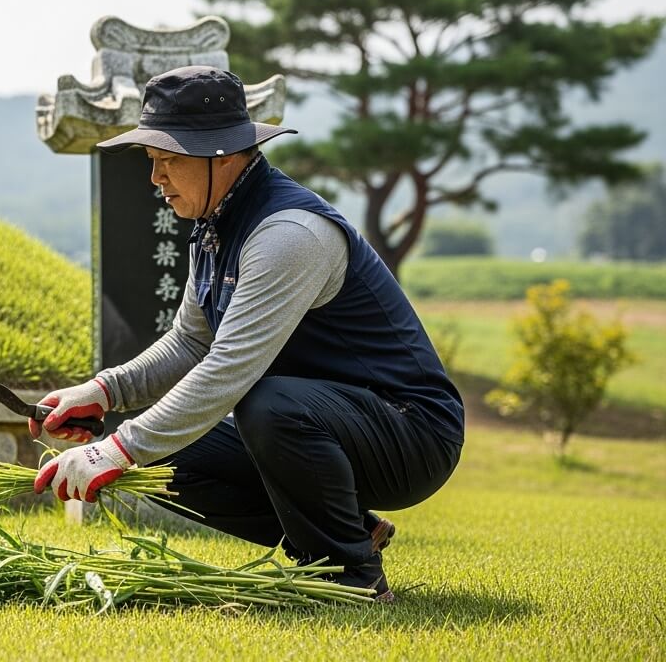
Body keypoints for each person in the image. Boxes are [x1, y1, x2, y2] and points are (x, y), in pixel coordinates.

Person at [31, 65, 464, 602]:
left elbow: (228, 367)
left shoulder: (288, 234)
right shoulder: (214, 228)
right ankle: (347, 533)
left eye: (169, 161)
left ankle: (351, 577)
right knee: (167, 448)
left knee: (265, 402)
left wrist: (114, 451)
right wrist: (103, 393)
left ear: (224, 155)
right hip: (324, 423)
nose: (155, 178)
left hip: (411, 433)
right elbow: (191, 343)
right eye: (153, 161)